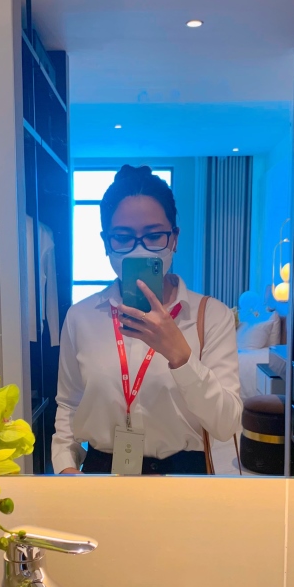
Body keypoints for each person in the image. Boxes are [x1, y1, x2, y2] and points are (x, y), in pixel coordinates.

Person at [52, 165, 242, 475]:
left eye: (154, 236)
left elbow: (226, 424)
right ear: (106, 242)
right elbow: (69, 404)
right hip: (102, 474)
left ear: (174, 238)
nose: (139, 248)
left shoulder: (211, 316)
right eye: (123, 237)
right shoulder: (81, 317)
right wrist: (65, 466)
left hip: (184, 477)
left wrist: (180, 356)